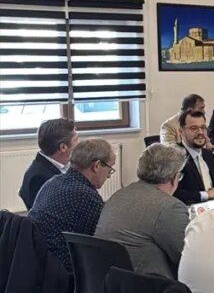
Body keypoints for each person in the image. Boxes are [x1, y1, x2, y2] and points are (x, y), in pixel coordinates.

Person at [94, 144, 190, 279]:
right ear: (175, 177)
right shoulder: (169, 207)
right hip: (152, 286)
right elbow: (189, 257)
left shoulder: (119, 195)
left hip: (111, 283)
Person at [28, 139, 116, 271]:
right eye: (109, 169)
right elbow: (107, 237)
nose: (109, 176)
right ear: (96, 166)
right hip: (62, 271)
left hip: (36, 262)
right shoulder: (85, 196)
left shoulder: (53, 182)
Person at [19, 118, 78, 210]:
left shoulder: (58, 165)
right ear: (63, 147)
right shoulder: (39, 178)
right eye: (76, 140)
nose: (79, 143)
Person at [174, 110, 214, 205]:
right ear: (181, 132)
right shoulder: (174, 157)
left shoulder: (208, 155)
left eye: (203, 128)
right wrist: (207, 194)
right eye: (194, 128)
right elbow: (174, 194)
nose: (200, 132)